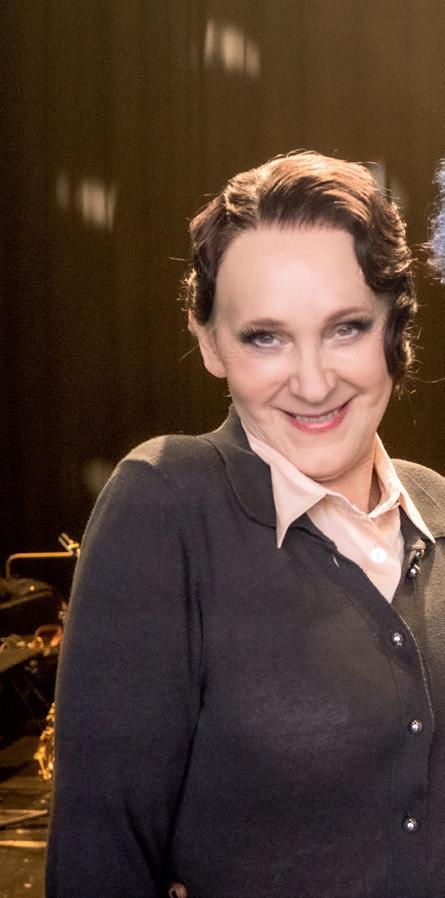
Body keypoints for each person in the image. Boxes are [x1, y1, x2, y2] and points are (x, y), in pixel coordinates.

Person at [46, 151, 445, 898]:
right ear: (209, 342)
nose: (313, 382)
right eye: (265, 336)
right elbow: (101, 853)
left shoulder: (438, 510)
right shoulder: (165, 504)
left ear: (398, 327)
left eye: (346, 328)